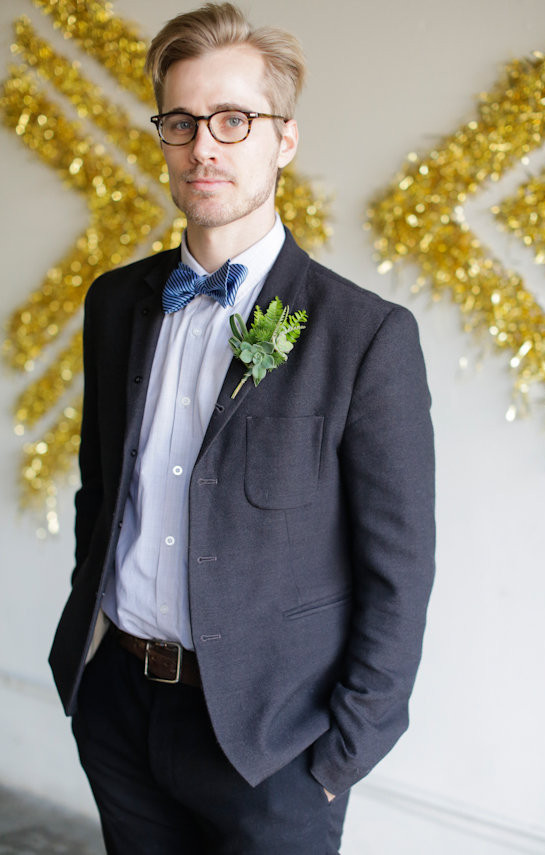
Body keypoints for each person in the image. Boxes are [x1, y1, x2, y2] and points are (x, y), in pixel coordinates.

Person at [49, 3, 436, 853]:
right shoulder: (115, 301)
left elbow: (399, 572)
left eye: (233, 119)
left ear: (284, 139)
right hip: (120, 708)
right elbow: (100, 492)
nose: (204, 147)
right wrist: (89, 674)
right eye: (181, 122)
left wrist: (337, 759)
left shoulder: (366, 335)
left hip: (273, 749)